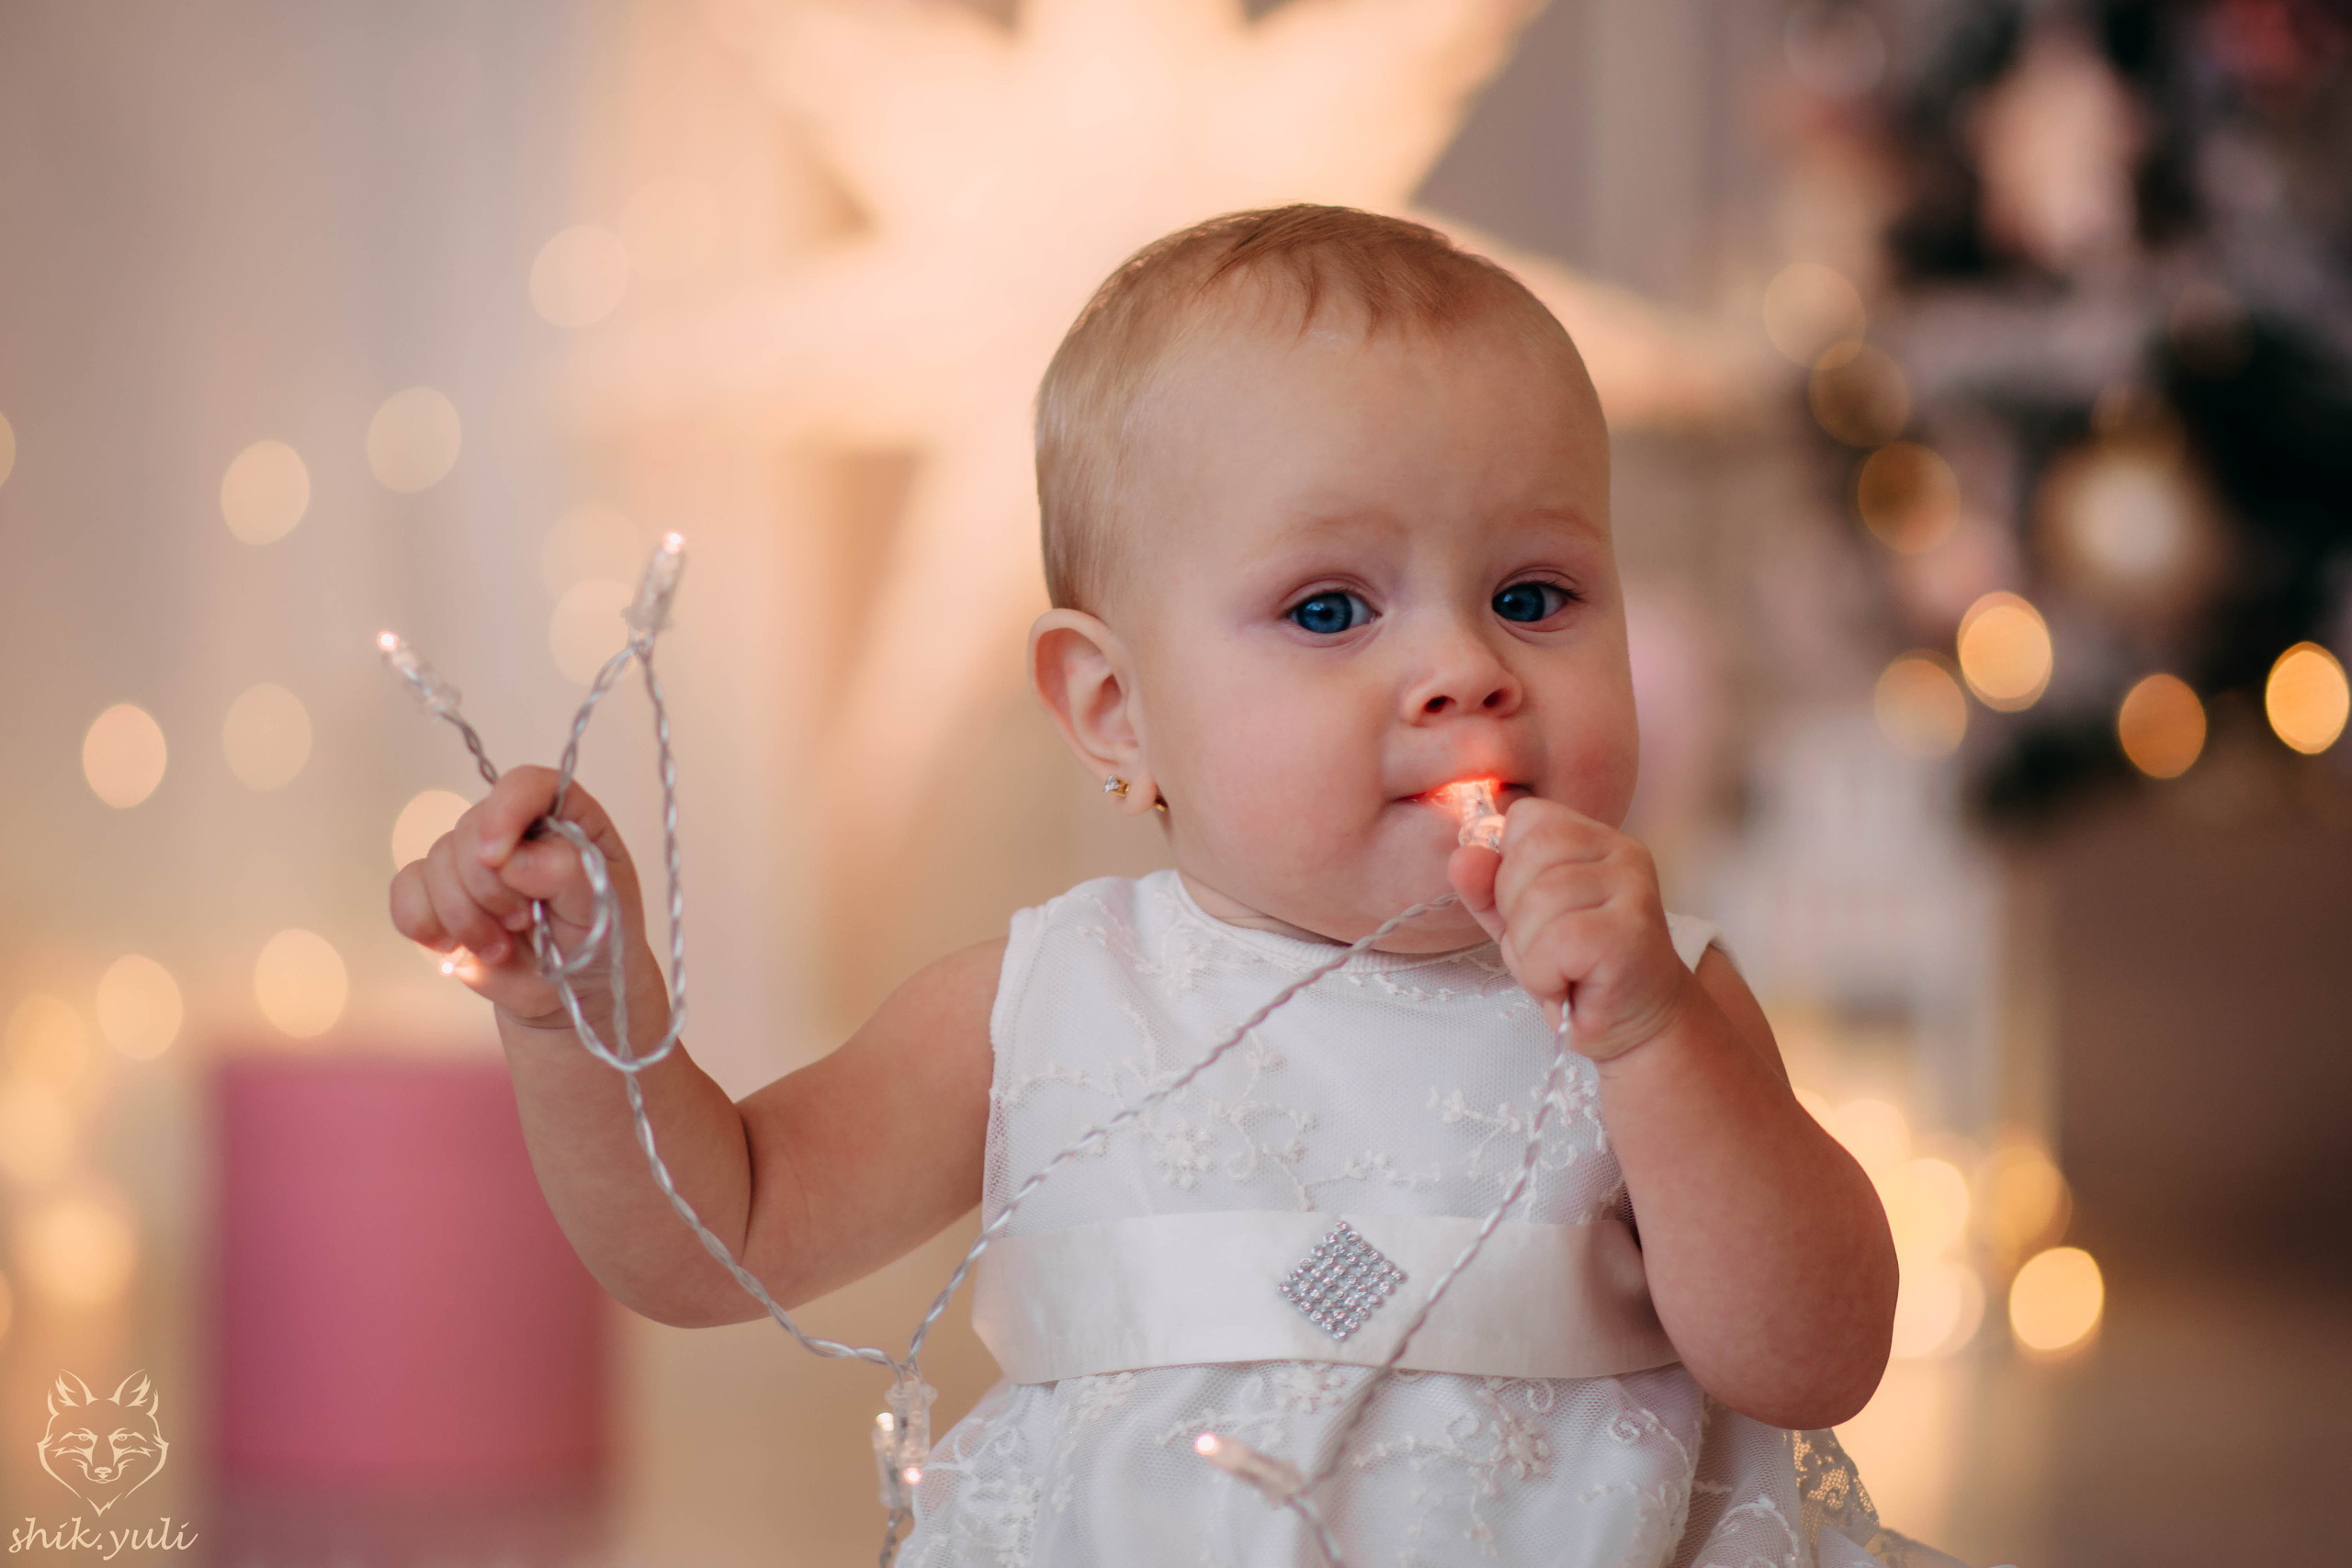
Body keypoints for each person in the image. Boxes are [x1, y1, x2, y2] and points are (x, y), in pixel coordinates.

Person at [390, 206, 1962, 1566]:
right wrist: (578, 1014)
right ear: (1114, 713)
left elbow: (1816, 1358)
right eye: (1333, 608)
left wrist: (1654, 1043)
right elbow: (710, 1241)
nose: (1465, 670)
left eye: (1534, 595)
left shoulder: (1659, 996)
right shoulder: (1044, 1004)